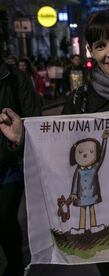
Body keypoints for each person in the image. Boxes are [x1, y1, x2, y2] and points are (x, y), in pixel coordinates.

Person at [0, 9, 109, 276]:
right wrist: (24, 138)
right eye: (101, 46)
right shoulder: (79, 100)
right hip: (103, 216)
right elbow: (58, 155)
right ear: (91, 51)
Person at [0, 55, 41, 276]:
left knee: (5, 217)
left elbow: (33, 118)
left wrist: (18, 140)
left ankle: (14, 264)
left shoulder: (16, 78)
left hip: (10, 164)